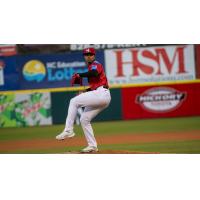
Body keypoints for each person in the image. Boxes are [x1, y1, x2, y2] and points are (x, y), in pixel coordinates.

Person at [56, 48, 111, 153]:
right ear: (84, 56)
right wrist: (86, 90)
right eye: (86, 54)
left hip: (101, 94)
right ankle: (92, 146)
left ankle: (68, 130)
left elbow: (94, 73)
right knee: (84, 119)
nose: (88, 56)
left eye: (90, 54)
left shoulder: (96, 64)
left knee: (73, 101)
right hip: (102, 95)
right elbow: (96, 84)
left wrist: (80, 75)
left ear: (94, 55)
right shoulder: (90, 67)